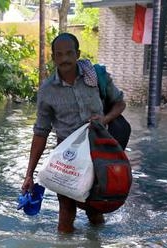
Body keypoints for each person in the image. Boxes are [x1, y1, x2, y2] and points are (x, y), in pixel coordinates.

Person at [22, 32, 127, 234]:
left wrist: (104, 120)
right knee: (66, 213)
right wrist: (29, 174)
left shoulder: (95, 77)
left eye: (69, 53)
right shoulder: (47, 90)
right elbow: (41, 132)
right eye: (59, 55)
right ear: (53, 57)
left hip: (99, 155)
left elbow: (120, 103)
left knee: (95, 210)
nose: (64, 59)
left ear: (77, 54)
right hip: (68, 158)